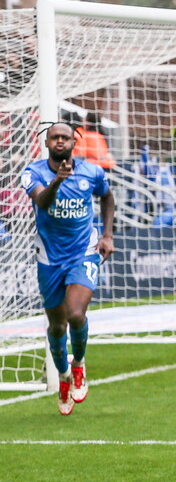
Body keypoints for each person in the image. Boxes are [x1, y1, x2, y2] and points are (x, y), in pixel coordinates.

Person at [21, 121, 115, 415]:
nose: (59, 141)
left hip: (83, 253)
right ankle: (62, 377)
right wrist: (58, 181)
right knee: (57, 325)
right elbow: (43, 202)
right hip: (49, 257)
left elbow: (107, 196)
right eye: (54, 138)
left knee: (76, 314)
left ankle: (79, 364)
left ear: (75, 142)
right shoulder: (32, 172)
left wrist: (108, 234)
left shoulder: (91, 171)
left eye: (64, 137)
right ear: (46, 143)